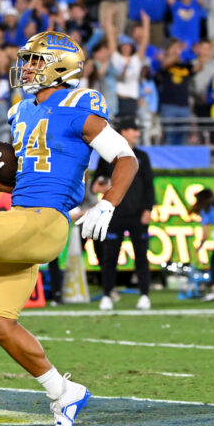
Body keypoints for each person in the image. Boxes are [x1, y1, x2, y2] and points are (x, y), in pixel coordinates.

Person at [0, 32, 139, 426]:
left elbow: (125, 158)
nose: (25, 67)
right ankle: (63, 391)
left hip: (46, 221)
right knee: (0, 324)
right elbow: (29, 181)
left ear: (60, 66)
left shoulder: (79, 105)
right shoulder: (19, 111)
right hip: (25, 216)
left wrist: (108, 203)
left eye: (34, 60)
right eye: (26, 60)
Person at [92, 118, 155, 311]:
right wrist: (99, 186)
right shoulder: (107, 156)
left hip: (137, 215)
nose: (137, 133)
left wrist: (148, 209)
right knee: (109, 257)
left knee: (141, 257)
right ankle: (107, 295)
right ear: (124, 132)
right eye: (134, 129)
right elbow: (96, 185)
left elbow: (148, 185)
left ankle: (144, 295)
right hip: (114, 214)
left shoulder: (142, 156)